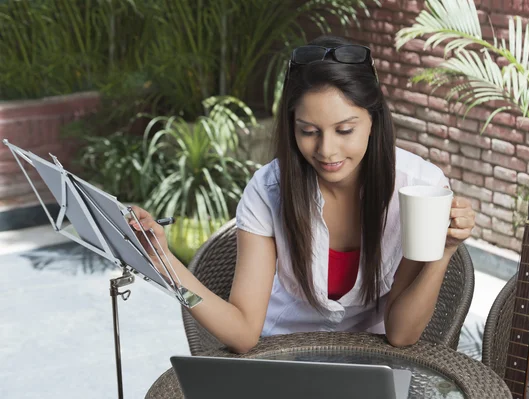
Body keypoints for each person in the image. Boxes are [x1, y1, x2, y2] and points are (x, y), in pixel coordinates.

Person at [129, 36, 476, 354]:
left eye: (345, 130)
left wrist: (442, 254)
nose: (327, 151)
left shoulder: (418, 187)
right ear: (291, 125)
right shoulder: (267, 190)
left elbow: (402, 335)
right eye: (308, 131)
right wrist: (165, 262)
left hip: (372, 356)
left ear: (374, 120)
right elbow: (243, 332)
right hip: (279, 349)